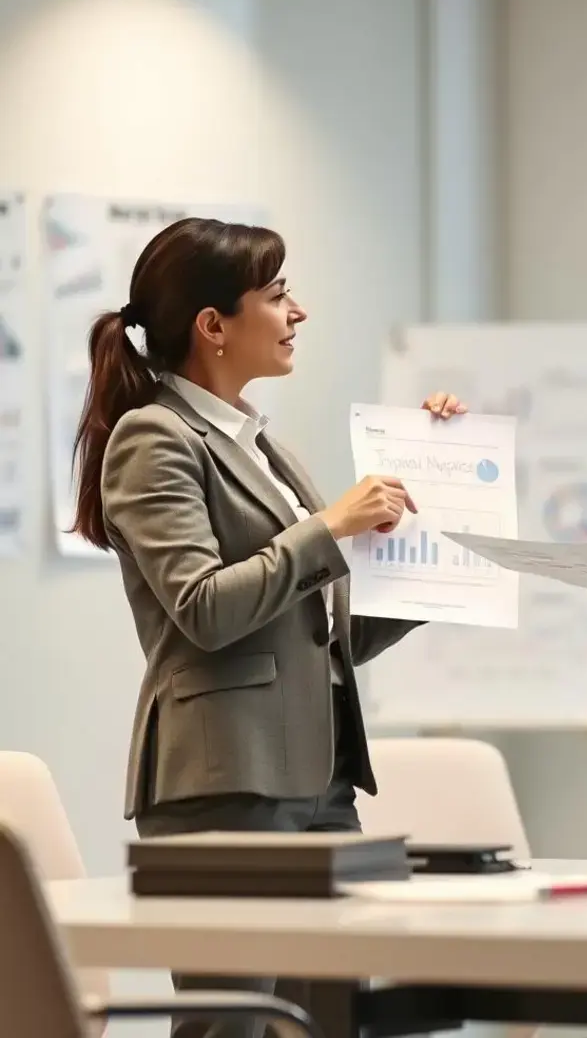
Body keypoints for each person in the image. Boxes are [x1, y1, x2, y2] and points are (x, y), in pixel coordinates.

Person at [70, 217, 467, 1037]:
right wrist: (329, 526)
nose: (300, 312)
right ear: (213, 327)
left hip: (318, 780)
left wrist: (447, 515)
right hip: (225, 784)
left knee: (333, 1017)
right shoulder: (154, 438)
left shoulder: (259, 444)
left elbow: (326, 633)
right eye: (278, 294)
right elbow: (205, 608)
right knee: (235, 1025)